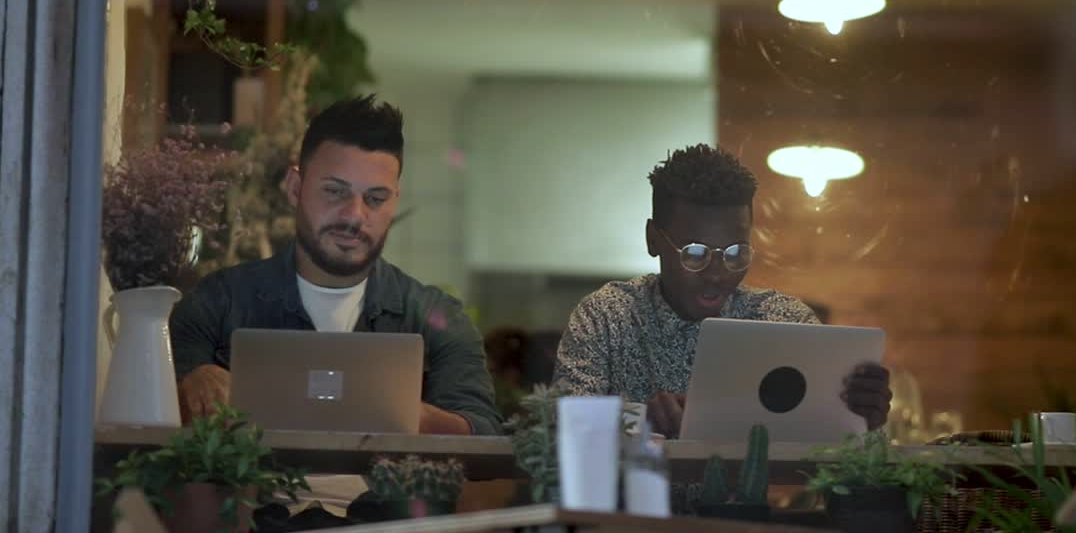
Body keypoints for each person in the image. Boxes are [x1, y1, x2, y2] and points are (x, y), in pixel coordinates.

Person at [170, 95, 501, 436]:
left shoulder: (439, 319)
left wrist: (410, 417)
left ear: (394, 202)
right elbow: (151, 427)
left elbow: (483, 435)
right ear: (295, 188)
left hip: (383, 491)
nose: (354, 216)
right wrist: (193, 386)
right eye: (334, 191)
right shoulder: (216, 302)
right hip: (251, 491)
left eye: (375, 199)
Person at [553, 144, 892, 438]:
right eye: (696, 254)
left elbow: (832, 461)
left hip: (741, 516)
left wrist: (865, 424)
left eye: (735, 254)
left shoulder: (783, 323)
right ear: (653, 240)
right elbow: (559, 433)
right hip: (626, 515)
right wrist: (638, 420)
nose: (717, 274)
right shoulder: (606, 317)